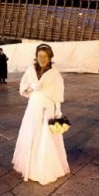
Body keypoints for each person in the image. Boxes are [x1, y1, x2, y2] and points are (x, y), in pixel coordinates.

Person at [12, 43, 70, 185]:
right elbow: (22, 88)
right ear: (36, 57)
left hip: (47, 108)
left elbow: (58, 94)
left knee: (45, 136)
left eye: (45, 56)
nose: (42, 59)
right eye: (40, 56)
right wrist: (32, 87)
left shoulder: (55, 74)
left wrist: (58, 110)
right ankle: (30, 167)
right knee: (31, 134)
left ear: (50, 58)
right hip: (33, 107)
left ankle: (44, 168)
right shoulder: (30, 70)